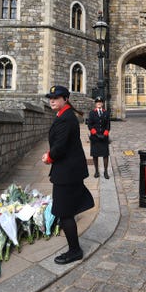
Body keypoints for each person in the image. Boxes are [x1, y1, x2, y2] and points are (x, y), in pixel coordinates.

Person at [41, 85, 94, 264]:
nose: (52, 100)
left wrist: (49, 156)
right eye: (51, 98)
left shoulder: (66, 118)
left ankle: (74, 250)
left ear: (65, 99)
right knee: (67, 209)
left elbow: (61, 147)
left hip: (67, 172)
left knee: (64, 213)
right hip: (70, 170)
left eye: (56, 98)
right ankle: (74, 248)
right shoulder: (65, 115)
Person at [86, 96, 111, 179]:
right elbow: (90, 125)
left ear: (102, 104)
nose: (99, 103)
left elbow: (108, 124)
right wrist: (95, 134)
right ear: (95, 104)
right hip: (95, 137)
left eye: (100, 102)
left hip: (104, 137)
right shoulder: (92, 113)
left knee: (105, 155)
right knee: (95, 155)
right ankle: (96, 171)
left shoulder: (106, 113)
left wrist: (105, 133)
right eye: (97, 102)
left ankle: (106, 171)